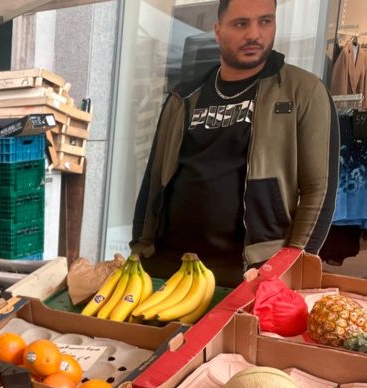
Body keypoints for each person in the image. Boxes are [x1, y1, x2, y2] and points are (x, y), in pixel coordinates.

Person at [131, 0, 339, 284]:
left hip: (247, 272)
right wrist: (139, 249)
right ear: (218, 31)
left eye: (265, 21)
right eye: (241, 24)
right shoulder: (184, 96)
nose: (254, 34)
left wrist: (290, 270)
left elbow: (319, 191)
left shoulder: (303, 91)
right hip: (166, 264)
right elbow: (154, 181)